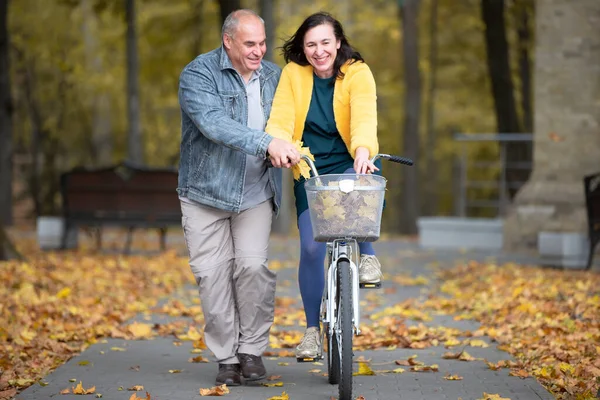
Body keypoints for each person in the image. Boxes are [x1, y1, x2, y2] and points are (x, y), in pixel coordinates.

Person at [177, 9, 300, 386]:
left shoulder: (275, 77)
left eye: (262, 43)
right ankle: (226, 357)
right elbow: (214, 123)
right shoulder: (198, 75)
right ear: (227, 41)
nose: (259, 51)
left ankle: (251, 351)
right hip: (204, 195)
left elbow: (298, 116)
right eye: (250, 43)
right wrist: (267, 142)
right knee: (212, 278)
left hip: (254, 195)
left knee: (251, 269)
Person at [265, 12, 383, 360]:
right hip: (310, 167)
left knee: (362, 188)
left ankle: (369, 256)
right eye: (311, 44)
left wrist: (363, 153)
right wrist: (279, 145)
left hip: (349, 159)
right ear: (303, 47)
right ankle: (312, 332)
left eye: (325, 43)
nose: (319, 51)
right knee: (313, 249)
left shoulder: (357, 72)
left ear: (338, 42)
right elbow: (281, 118)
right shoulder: (293, 74)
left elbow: (364, 116)